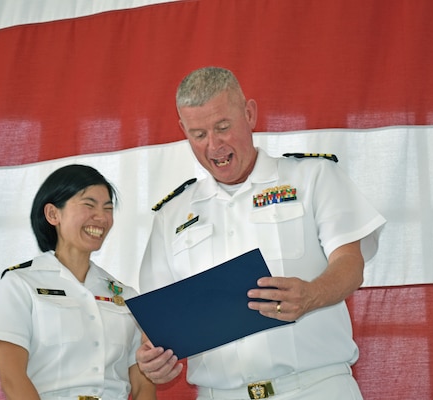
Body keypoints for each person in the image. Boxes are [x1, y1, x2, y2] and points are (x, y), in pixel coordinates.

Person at [136, 67, 386, 399]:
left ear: (249, 113)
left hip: (315, 387)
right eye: (198, 134)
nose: (214, 145)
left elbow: (350, 265)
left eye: (223, 127)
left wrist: (312, 294)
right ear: (183, 130)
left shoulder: (312, 177)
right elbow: (158, 324)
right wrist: (153, 358)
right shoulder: (171, 216)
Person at [0, 164, 156, 400]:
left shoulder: (126, 296)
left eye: (108, 208)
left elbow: (144, 385)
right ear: (53, 214)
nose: (102, 217)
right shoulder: (20, 283)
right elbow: (12, 379)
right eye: (89, 205)